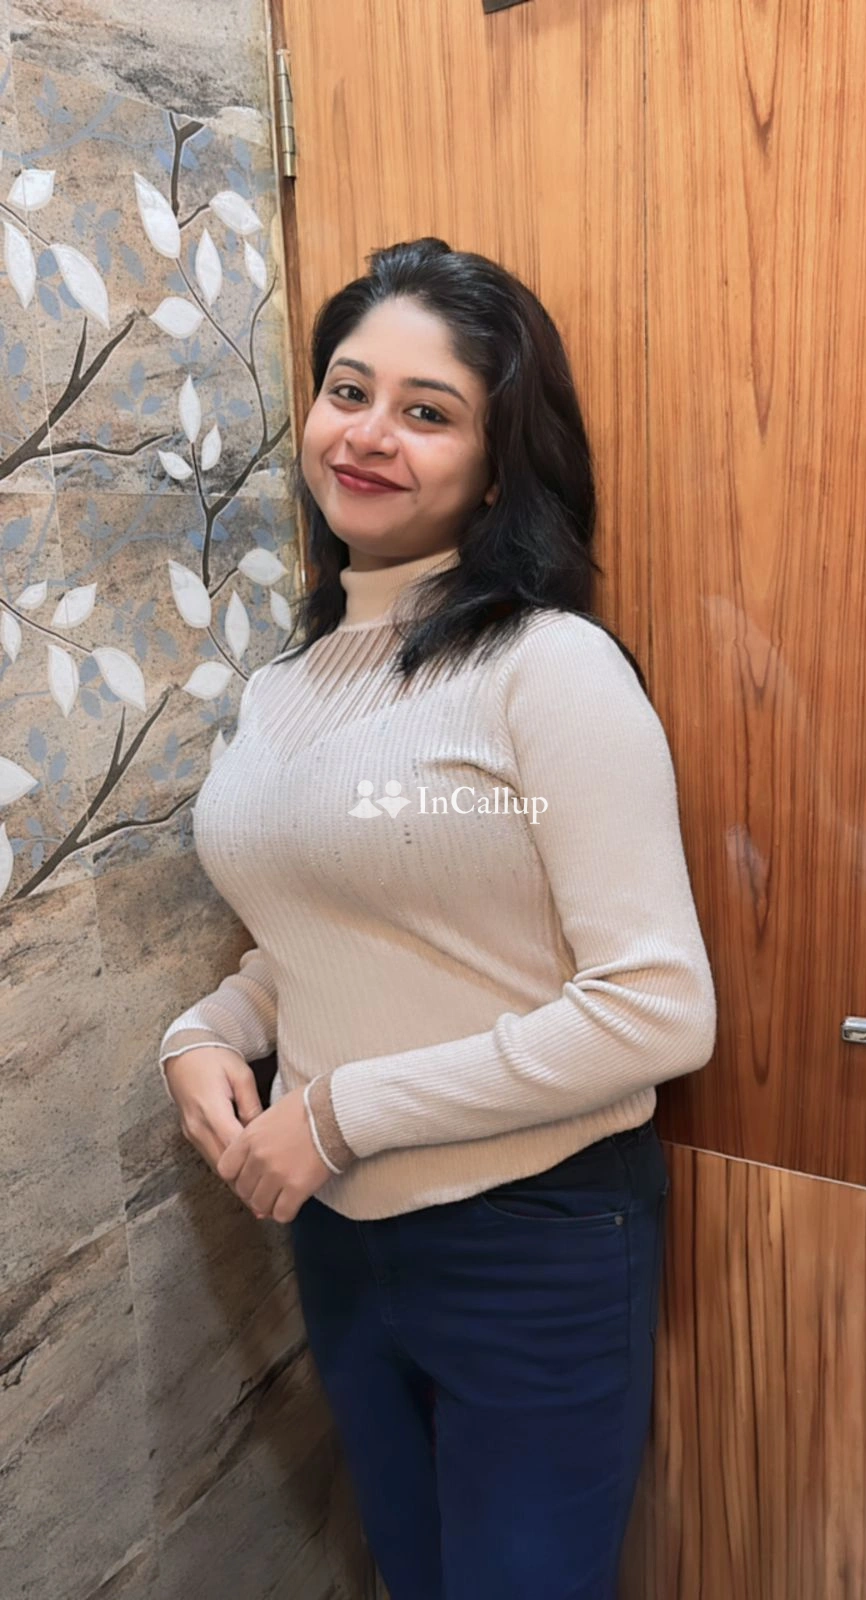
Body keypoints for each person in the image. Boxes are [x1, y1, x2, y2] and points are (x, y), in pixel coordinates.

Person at [159, 237, 717, 1600]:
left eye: (428, 411)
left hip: (530, 1236)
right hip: (338, 1231)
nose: (368, 434)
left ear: (497, 462)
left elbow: (657, 1010)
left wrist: (340, 1113)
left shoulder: (549, 667)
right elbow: (317, 927)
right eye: (350, 391)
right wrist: (209, 1029)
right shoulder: (286, 686)